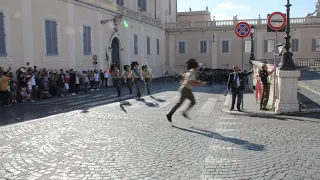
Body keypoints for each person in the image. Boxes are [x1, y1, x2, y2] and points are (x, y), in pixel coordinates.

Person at [166, 58, 206, 123]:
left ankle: (183, 112)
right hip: (186, 90)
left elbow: (184, 76)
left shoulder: (190, 71)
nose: (198, 67)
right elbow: (193, 83)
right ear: (195, 67)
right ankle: (170, 114)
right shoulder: (192, 73)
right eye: (198, 66)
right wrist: (201, 84)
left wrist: (182, 81)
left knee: (192, 102)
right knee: (180, 103)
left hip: (187, 89)